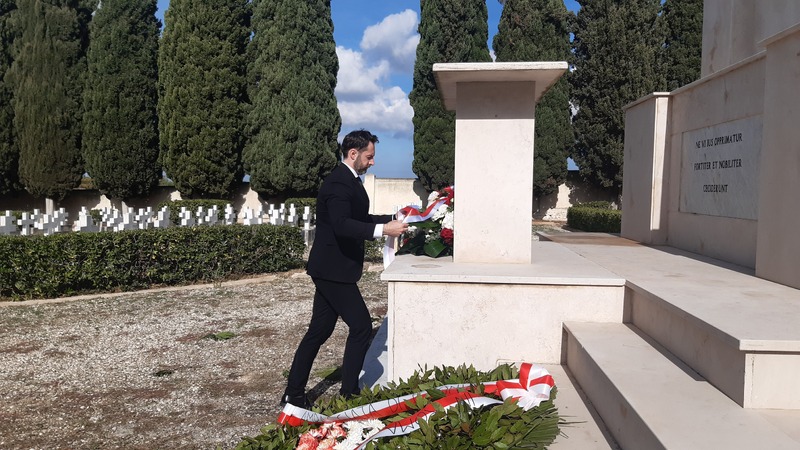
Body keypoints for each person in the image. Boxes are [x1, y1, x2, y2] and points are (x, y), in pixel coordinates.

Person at [281, 129, 408, 407]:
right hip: (333, 269)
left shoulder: (350, 180)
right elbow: (341, 224)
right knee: (362, 327)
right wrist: (384, 229)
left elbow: (360, 218)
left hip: (333, 268)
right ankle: (349, 394)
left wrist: (395, 217)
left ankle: (293, 393)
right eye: (369, 156)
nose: (372, 162)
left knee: (319, 331)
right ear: (354, 154)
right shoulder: (339, 183)